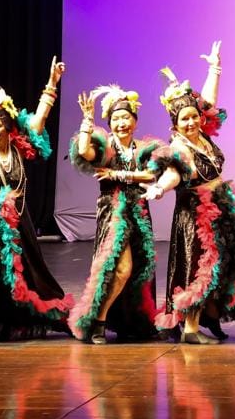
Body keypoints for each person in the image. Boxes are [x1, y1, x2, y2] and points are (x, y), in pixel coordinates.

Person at [144, 43, 235, 344]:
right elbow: (174, 173)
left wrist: (214, 69)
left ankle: (209, 317)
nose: (193, 121)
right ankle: (191, 329)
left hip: (220, 209)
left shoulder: (202, 136)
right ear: (175, 125)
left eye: (195, 117)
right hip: (196, 215)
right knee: (199, 267)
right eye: (186, 119)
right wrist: (158, 188)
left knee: (221, 265)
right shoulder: (179, 147)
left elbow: (208, 101)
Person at [0, 61, 73, 342]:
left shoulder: (19, 149)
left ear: (9, 127)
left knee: (25, 271)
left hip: (17, 221)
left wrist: (51, 84)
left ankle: (18, 318)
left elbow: (39, 120)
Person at [68, 85, 165, 343]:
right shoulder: (106, 147)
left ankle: (128, 321)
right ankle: (98, 320)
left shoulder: (145, 148)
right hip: (113, 212)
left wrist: (120, 175)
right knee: (119, 268)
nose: (121, 123)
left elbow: (153, 174)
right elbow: (83, 152)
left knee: (138, 272)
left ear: (134, 120)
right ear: (109, 122)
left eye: (125, 118)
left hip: (139, 212)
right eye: (116, 119)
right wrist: (88, 121)